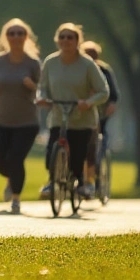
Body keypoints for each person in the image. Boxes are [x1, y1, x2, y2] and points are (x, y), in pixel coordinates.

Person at [36, 24, 109, 200]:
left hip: (82, 119)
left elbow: (103, 91)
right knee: (51, 151)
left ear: (77, 41)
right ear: (57, 40)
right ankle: (53, 181)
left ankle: (80, 183)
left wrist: (89, 102)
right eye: (62, 37)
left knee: (77, 157)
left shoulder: (87, 64)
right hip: (58, 116)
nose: (66, 40)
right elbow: (42, 87)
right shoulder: (50, 62)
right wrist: (42, 98)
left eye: (70, 37)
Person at [0, 18, 42, 214]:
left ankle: (15, 198)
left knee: (16, 159)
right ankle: (13, 178)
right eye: (11, 33)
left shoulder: (33, 63)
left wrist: (32, 86)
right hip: (0, 119)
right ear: (5, 37)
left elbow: (42, 92)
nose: (15, 37)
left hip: (26, 121)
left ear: (26, 37)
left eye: (20, 33)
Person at [81, 40, 119, 188]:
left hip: (100, 111)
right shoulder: (79, 69)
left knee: (99, 136)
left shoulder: (104, 70)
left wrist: (112, 103)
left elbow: (112, 92)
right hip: (81, 110)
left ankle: (97, 162)